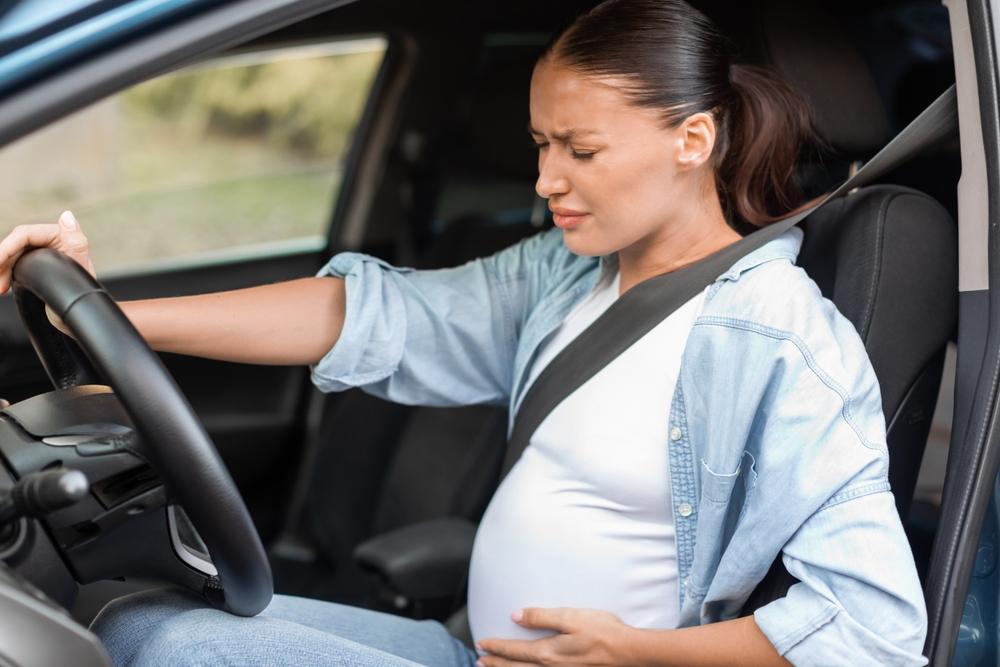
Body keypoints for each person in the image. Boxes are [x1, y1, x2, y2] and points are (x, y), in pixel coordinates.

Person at [0, 0, 928, 665]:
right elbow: (374, 314)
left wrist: (642, 655)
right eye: (540, 144)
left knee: (168, 647)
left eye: (582, 149)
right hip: (468, 647)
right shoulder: (566, 275)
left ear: (693, 140)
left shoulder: (778, 337)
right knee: (126, 616)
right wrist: (101, 308)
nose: (545, 181)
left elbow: (872, 625)